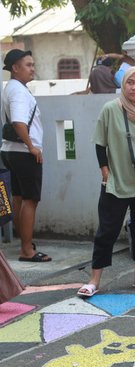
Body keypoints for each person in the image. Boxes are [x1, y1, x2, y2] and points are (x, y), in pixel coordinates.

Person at [77, 66, 135, 297]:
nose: (134, 87)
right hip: (115, 180)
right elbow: (100, 143)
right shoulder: (110, 109)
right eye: (130, 82)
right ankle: (94, 280)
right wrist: (105, 171)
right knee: (107, 230)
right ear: (123, 84)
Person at [1, 49, 51, 262]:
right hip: (23, 152)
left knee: (19, 198)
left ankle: (25, 243)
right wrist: (32, 146)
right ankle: (27, 250)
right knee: (31, 200)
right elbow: (19, 122)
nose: (33, 69)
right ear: (15, 68)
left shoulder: (10, 88)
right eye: (28, 65)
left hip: (10, 150)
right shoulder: (19, 92)